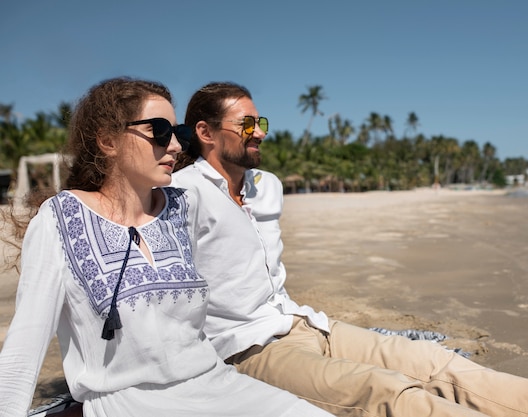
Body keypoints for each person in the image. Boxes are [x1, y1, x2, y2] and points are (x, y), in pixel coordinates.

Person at [172, 81, 528, 417]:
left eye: (261, 122)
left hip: (304, 322)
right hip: (250, 349)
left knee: (435, 363)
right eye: (247, 124)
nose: (259, 133)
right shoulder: (182, 193)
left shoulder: (266, 186)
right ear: (206, 133)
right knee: (388, 392)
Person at [0, 77, 333, 417]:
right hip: (133, 405)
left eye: (180, 134)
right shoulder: (60, 220)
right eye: (160, 131)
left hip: (221, 385)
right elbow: (24, 348)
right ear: (107, 140)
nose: (175, 146)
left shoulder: (185, 206)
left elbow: (252, 260)